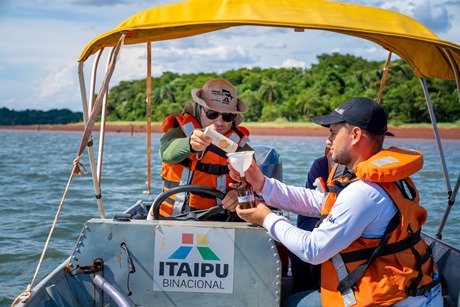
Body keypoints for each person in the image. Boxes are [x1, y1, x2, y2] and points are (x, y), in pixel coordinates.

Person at [225, 97, 442, 306]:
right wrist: (262, 183)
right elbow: (319, 201)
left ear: (355, 135)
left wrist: (267, 219)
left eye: (333, 133)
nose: (328, 141)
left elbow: (314, 249)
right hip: (411, 291)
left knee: (293, 303)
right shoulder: (377, 181)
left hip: (397, 301)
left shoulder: (364, 192)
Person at [158, 77, 253, 218]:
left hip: (219, 223)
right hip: (172, 219)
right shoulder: (179, 132)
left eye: (227, 116)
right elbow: (166, 152)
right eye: (212, 114)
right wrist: (188, 143)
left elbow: (255, 182)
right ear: (199, 108)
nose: (219, 122)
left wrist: (238, 195)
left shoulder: (241, 146)